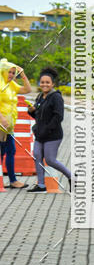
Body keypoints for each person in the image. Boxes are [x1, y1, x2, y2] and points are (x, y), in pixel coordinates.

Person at [27, 67, 72, 193]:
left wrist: (46, 129)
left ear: (52, 84)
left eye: (47, 82)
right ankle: (41, 185)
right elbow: (38, 115)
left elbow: (58, 116)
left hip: (53, 135)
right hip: (40, 134)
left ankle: (72, 177)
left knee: (50, 160)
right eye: (42, 82)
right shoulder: (40, 96)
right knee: (37, 155)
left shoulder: (56, 97)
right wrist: (31, 112)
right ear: (39, 83)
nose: (44, 84)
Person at [0, 59, 32, 189]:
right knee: (3, 151)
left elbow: (27, 90)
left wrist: (23, 74)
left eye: (13, 73)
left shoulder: (11, 85)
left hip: (9, 126)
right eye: (9, 72)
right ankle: (9, 180)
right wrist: (1, 119)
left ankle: (12, 180)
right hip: (1, 125)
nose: (11, 75)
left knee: (9, 151)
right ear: (3, 71)